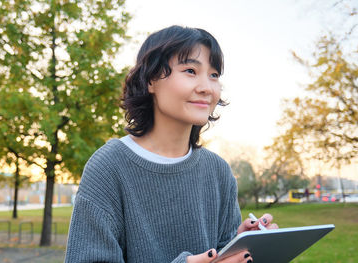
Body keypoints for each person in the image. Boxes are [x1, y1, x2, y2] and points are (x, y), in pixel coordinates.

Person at [65, 26, 278, 263]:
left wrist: (238, 247)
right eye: (190, 70)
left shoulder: (218, 171)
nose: (206, 88)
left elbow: (220, 252)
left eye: (214, 75)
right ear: (150, 80)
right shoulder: (108, 167)